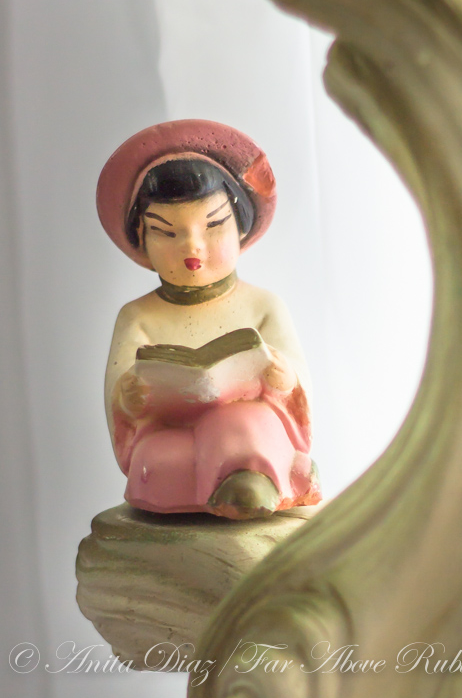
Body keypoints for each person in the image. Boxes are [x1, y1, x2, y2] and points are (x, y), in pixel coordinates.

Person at [97, 119, 321, 519]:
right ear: (141, 236)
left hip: (249, 427)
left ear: (240, 225)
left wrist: (283, 378)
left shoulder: (263, 305)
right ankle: (209, 487)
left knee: (244, 426)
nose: (193, 246)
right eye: (167, 233)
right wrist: (128, 395)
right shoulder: (138, 316)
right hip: (170, 427)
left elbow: (297, 377)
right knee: (161, 458)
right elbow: (120, 384)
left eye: (213, 225)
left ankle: (251, 482)